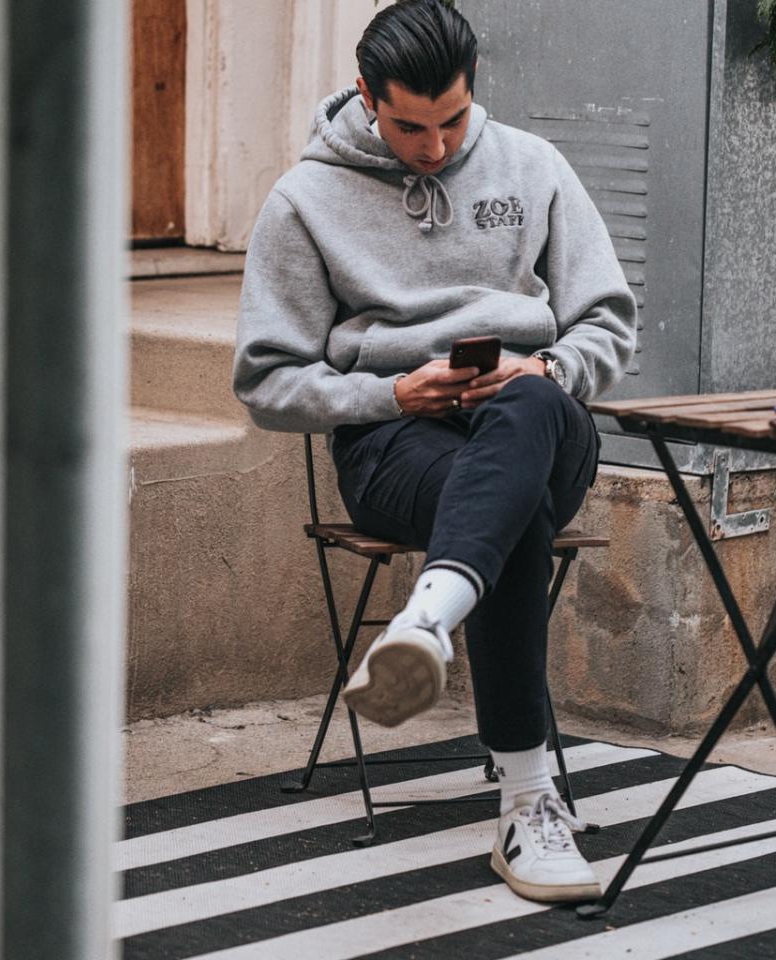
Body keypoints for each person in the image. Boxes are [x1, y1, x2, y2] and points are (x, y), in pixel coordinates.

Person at [234, 0, 637, 903]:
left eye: (453, 118)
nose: (436, 145)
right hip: (395, 445)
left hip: (539, 420)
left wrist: (551, 363)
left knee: (528, 408)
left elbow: (609, 320)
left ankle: (424, 621)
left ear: (472, 89)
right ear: (368, 99)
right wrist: (391, 392)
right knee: (508, 505)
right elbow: (265, 381)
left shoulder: (533, 166)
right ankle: (529, 806)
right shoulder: (304, 199)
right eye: (410, 125)